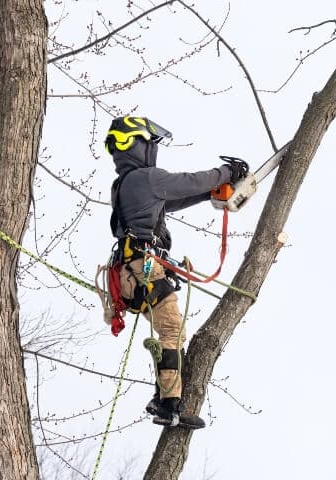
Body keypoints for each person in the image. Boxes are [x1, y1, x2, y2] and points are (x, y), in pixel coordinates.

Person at [105, 115, 248, 428]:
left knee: (169, 331)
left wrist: (215, 192)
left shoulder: (126, 185)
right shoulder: (146, 177)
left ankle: (163, 399)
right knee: (172, 331)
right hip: (143, 269)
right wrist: (227, 172)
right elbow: (189, 181)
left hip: (132, 273)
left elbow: (176, 199)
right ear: (139, 145)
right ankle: (169, 405)